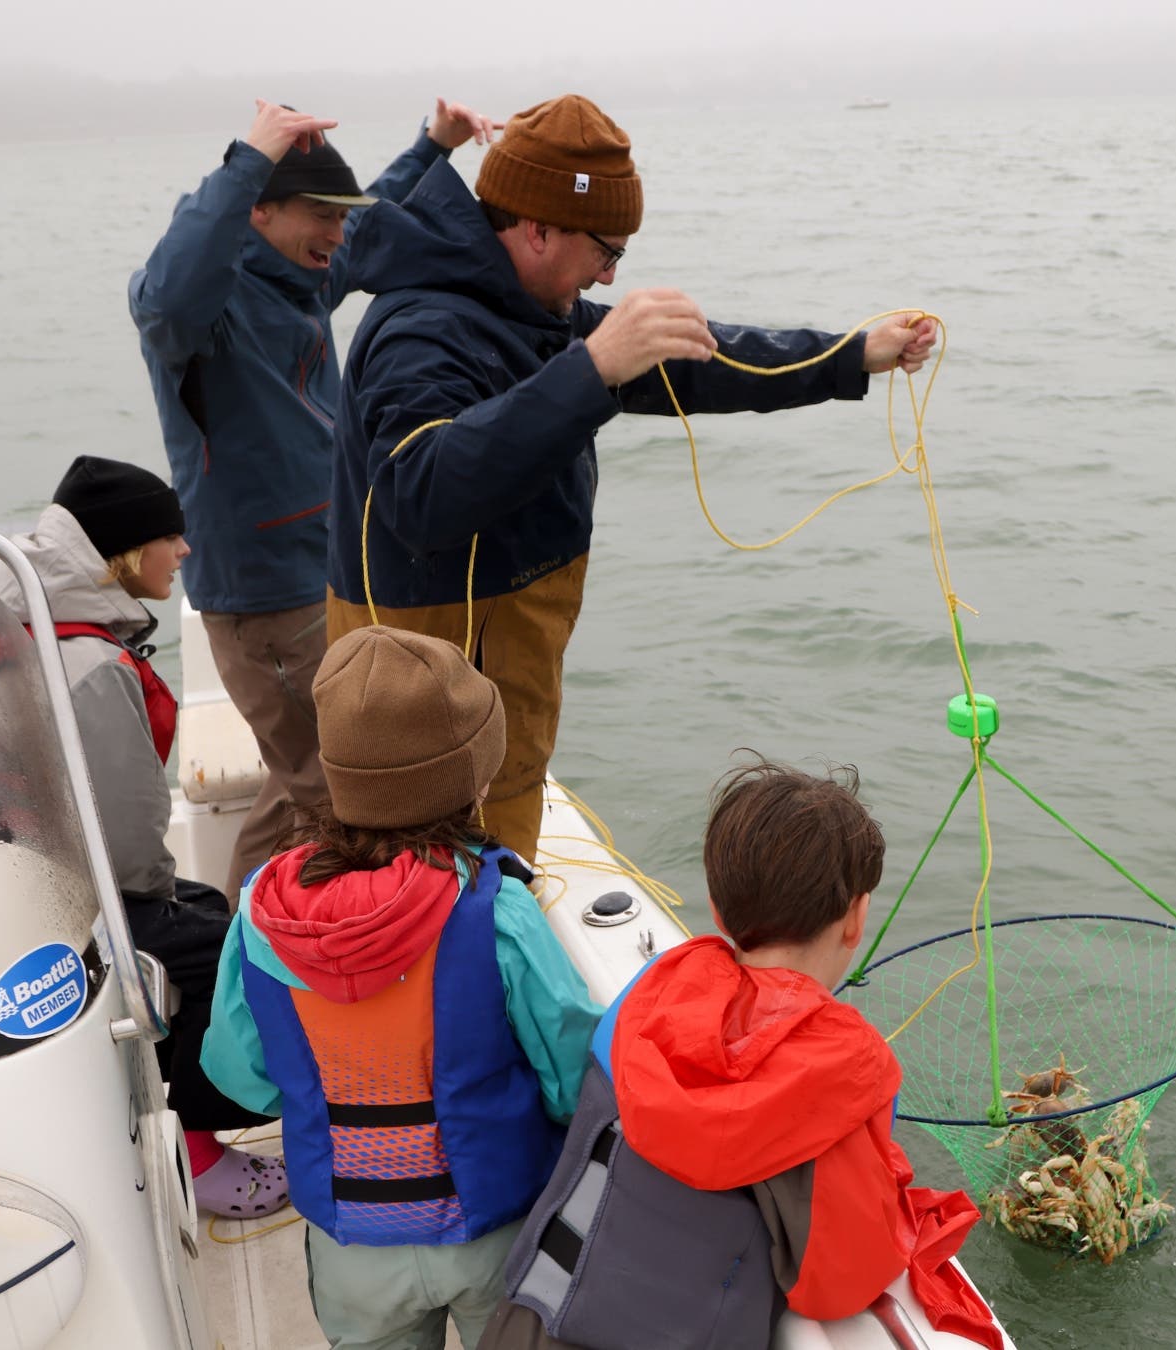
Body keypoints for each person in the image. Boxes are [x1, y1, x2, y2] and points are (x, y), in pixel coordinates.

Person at [327, 94, 940, 859]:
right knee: (431, 906)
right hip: (418, 711)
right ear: (538, 227)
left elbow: (713, 361)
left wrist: (851, 353)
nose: (611, 273)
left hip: (501, 704)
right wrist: (592, 370)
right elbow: (418, 497)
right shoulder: (422, 326)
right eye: (607, 251)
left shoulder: (535, 310)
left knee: (499, 863)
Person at [479, 758, 1000, 1350]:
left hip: (525, 1324)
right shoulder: (845, 1074)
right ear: (856, 919)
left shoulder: (642, 999)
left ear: (719, 909)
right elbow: (838, 1284)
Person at [130, 95, 499, 903]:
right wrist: (246, 157)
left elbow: (370, 222)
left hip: (329, 574)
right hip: (262, 597)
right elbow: (164, 291)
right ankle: (280, 963)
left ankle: (230, 934)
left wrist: (432, 146)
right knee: (345, 790)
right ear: (255, 211)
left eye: (338, 217)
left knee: (303, 785)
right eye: (319, 215)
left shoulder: (298, 282)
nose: (338, 234)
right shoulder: (198, 316)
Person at [201, 625, 600, 1350]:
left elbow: (243, 1078)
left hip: (351, 1246)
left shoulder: (264, 912)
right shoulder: (496, 910)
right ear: (473, 781)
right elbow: (572, 1075)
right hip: (492, 1231)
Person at [0, 454, 287, 1218]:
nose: (186, 552)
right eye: (173, 536)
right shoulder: (90, 665)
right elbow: (130, 841)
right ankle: (196, 1150)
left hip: (30, 889)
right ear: (128, 552)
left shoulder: (25, 623)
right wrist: (172, 910)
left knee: (206, 912)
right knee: (226, 956)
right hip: (86, 909)